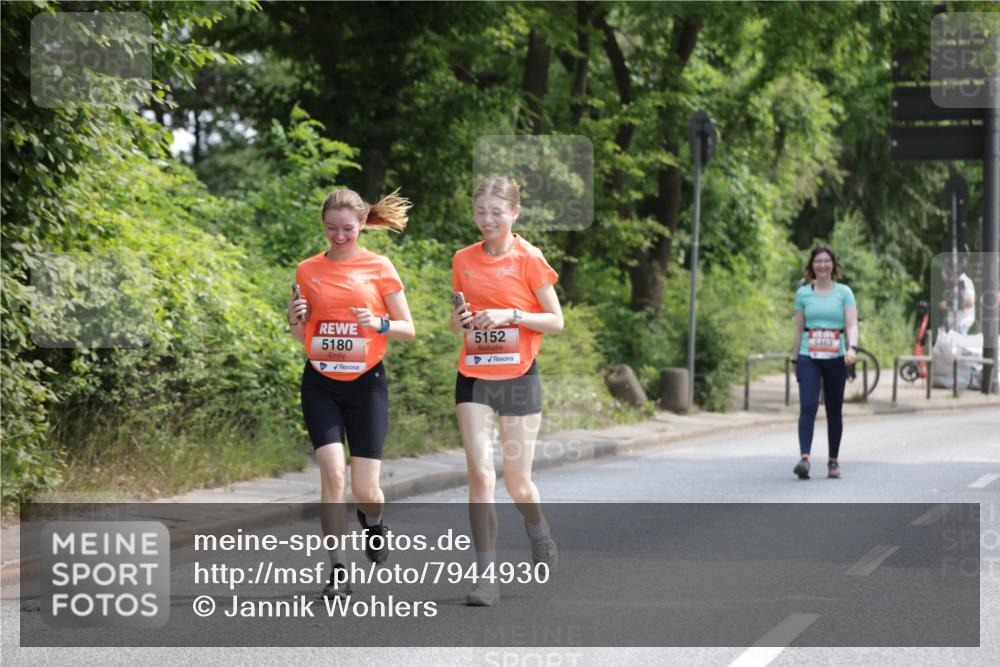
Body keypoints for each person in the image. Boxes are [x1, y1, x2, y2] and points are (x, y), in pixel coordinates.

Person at [287, 188, 415, 600]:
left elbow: (407, 329)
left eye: (346, 228)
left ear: (362, 224)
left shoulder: (380, 267)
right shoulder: (307, 269)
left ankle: (374, 523)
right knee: (332, 475)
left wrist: (379, 323)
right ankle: (338, 570)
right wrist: (294, 321)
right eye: (330, 228)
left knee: (366, 491)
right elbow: (302, 336)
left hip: (367, 386)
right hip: (320, 382)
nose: (339, 236)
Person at [449, 175, 564, 606]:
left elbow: (555, 320)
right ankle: (486, 578)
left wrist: (511, 315)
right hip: (474, 375)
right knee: (480, 476)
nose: (486, 220)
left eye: (496, 212)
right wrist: (459, 322)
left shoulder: (529, 257)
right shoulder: (463, 259)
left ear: (514, 213)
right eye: (480, 212)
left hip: (518, 378)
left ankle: (539, 532)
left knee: (518, 484)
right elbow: (455, 321)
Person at [791, 244, 857, 480]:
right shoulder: (803, 294)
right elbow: (799, 329)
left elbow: (851, 324)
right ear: (812, 266)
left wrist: (852, 348)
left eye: (826, 261)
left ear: (833, 265)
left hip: (836, 357)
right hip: (809, 356)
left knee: (833, 410)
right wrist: (795, 358)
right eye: (817, 261)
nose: (822, 265)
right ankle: (805, 458)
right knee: (808, 406)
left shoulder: (844, 293)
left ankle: (833, 460)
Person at [937, 266, 975, 334]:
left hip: (962, 324)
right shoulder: (956, 284)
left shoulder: (966, 282)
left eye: (947, 279)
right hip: (956, 325)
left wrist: (948, 304)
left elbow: (970, 303)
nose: (947, 281)